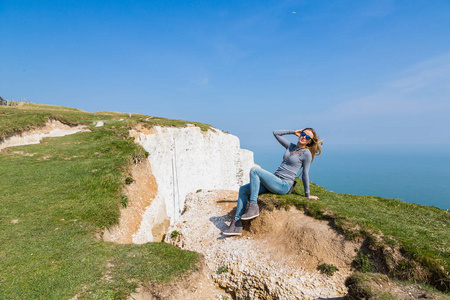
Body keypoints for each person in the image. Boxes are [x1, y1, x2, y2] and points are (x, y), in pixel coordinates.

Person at [223, 128, 322, 236]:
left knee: (255, 170)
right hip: (275, 180)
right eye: (303, 134)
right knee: (243, 189)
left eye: (307, 137)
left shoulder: (306, 153)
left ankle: (253, 206)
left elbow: (305, 174)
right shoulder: (291, 146)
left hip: (283, 185)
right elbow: (276, 133)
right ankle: (236, 225)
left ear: (309, 142)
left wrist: (307, 194)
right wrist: (293, 132)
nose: (304, 137)